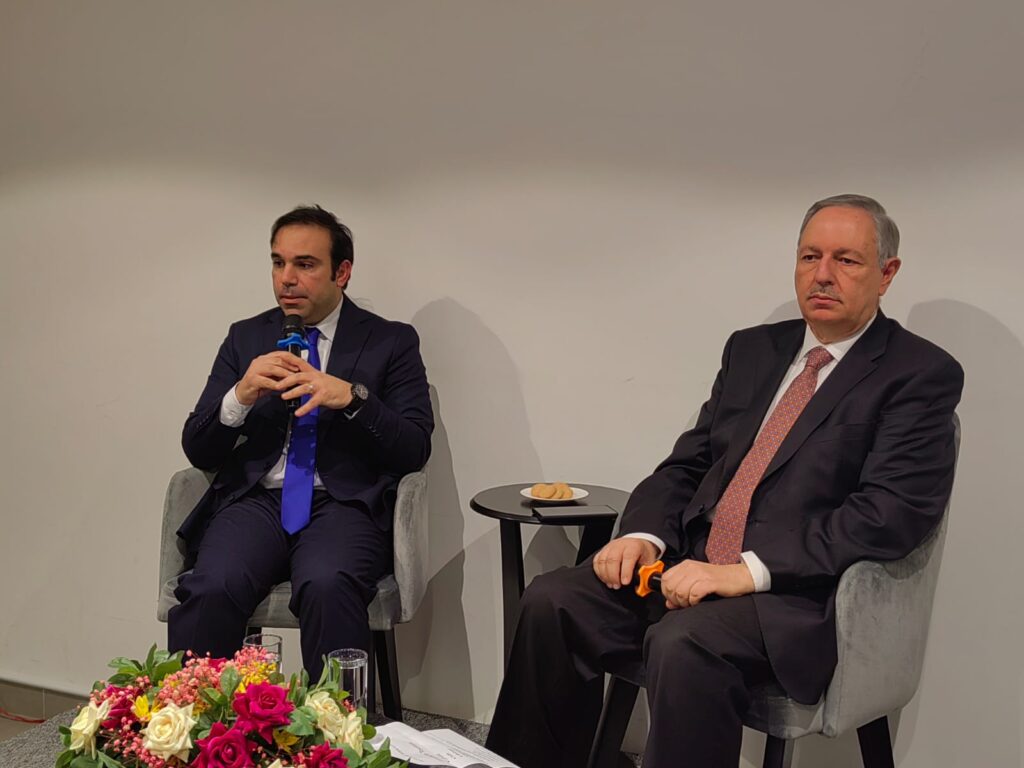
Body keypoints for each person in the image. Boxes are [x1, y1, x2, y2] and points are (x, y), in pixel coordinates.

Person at [484, 194, 963, 767]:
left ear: (887, 274)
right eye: (810, 256)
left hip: (795, 601)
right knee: (553, 600)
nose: (823, 274)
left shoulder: (919, 373)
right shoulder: (753, 350)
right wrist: (643, 536)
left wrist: (744, 572)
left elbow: (887, 517)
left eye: (846, 260)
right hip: (687, 567)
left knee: (684, 641)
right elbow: (687, 465)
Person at [168, 205, 433, 680]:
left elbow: (414, 448)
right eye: (278, 262)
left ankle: (335, 724)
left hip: (344, 503)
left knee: (327, 583)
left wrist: (352, 397)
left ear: (341, 272)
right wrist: (240, 395)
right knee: (212, 586)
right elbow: (198, 448)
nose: (287, 278)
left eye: (305, 264)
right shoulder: (246, 337)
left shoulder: (390, 342)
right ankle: (196, 719)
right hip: (257, 502)